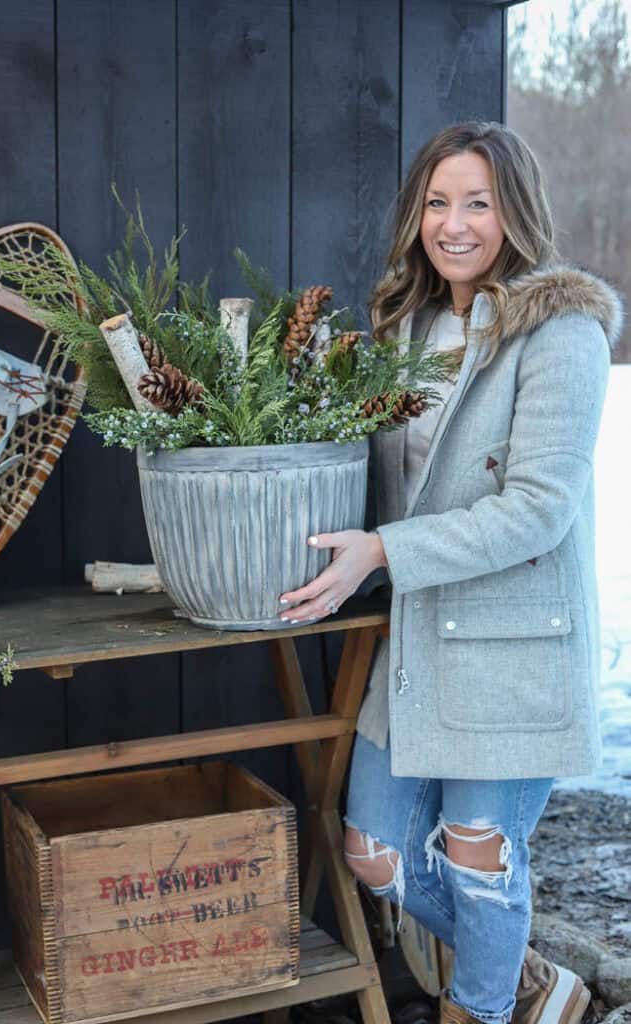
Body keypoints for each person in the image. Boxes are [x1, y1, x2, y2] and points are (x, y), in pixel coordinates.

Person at [278, 121, 624, 1024]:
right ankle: (535, 983)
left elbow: (538, 508)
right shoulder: (408, 326)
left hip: (511, 646)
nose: (453, 224)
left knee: (479, 858)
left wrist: (385, 550)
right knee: (375, 853)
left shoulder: (561, 332)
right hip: (421, 638)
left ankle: (479, 1010)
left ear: (517, 212)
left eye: (478, 202)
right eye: (437, 202)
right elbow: (390, 481)